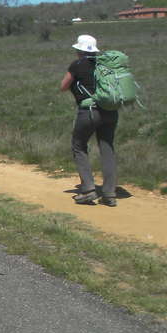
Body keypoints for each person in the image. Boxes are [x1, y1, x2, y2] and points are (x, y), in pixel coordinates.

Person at [59, 34, 118, 207]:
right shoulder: (106, 64)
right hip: (110, 111)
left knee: (79, 145)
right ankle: (109, 193)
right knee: (107, 148)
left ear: (79, 50)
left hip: (90, 111)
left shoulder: (77, 65)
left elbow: (63, 86)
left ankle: (88, 190)